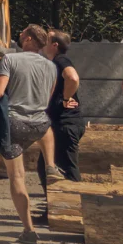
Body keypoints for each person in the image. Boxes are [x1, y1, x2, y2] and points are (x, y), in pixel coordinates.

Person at [0, 23, 58, 244]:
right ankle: (50, 165)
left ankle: (29, 230)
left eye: (22, 34)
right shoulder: (51, 66)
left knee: (17, 178)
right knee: (46, 129)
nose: (19, 36)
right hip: (39, 122)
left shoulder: (11, 59)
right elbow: (47, 99)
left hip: (14, 124)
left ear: (29, 40)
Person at [39, 29, 85, 185]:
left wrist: (66, 98)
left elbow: (73, 77)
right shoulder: (55, 62)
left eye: (47, 40)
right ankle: (53, 207)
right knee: (46, 166)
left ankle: (75, 205)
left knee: (69, 169)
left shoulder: (61, 60)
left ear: (54, 45)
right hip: (60, 124)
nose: (43, 43)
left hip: (66, 124)